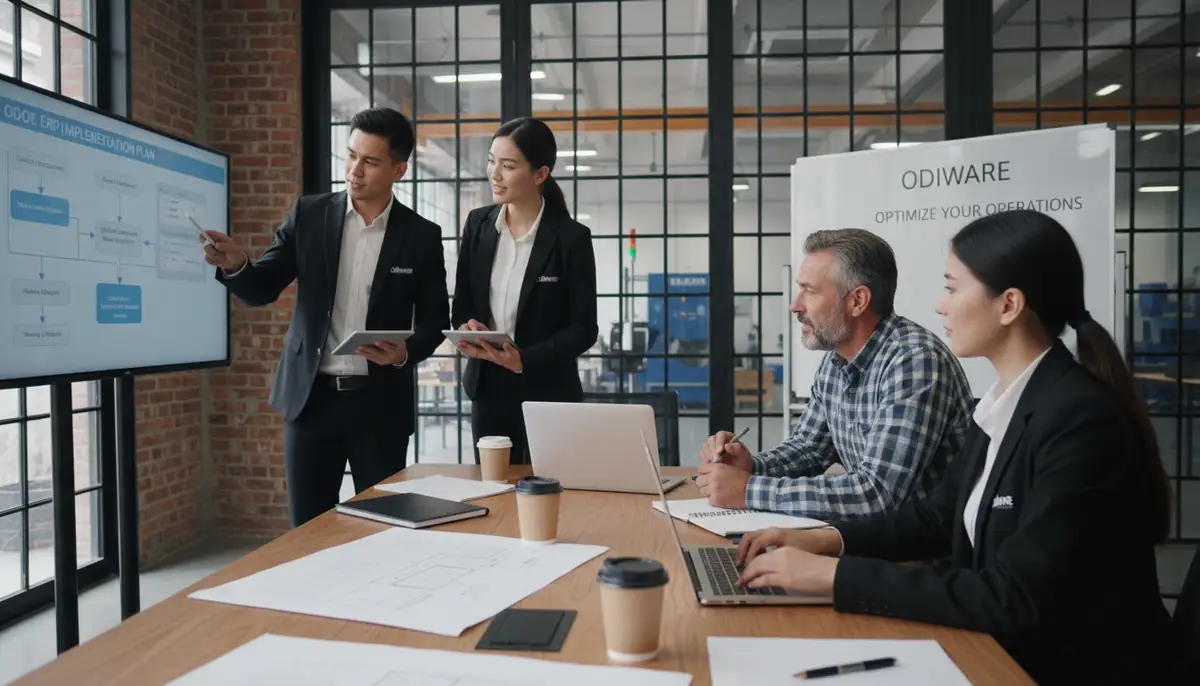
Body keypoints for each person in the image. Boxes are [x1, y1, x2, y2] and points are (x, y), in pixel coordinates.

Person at [735, 210, 1180, 685]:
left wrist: (833, 577)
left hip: (1065, 668)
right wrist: (823, 541)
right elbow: (935, 518)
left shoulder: (1078, 421)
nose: (941, 306)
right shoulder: (1004, 404)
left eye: (952, 287)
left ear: (1008, 305)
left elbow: (1014, 595)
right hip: (1001, 650)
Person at [201, 107, 450, 527]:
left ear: (399, 169)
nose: (354, 170)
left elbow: (434, 319)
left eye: (370, 161)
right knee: (308, 529)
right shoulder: (310, 215)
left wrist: (403, 353)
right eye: (351, 155)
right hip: (311, 400)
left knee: (386, 528)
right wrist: (237, 265)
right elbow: (263, 287)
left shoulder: (421, 235)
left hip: (380, 404)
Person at [698, 229, 973, 519]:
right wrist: (751, 466)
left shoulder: (915, 361)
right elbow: (809, 450)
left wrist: (749, 490)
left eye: (810, 291)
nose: (795, 305)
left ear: (857, 301)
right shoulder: (836, 360)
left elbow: (878, 494)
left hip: (925, 554)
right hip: (878, 543)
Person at [451, 117, 598, 464]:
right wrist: (468, 328)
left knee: (549, 500)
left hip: (550, 395)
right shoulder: (478, 225)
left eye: (508, 165)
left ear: (540, 174)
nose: (494, 173)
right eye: (491, 160)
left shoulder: (571, 238)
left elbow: (583, 329)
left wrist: (523, 360)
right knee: (493, 498)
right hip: (487, 392)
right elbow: (463, 304)